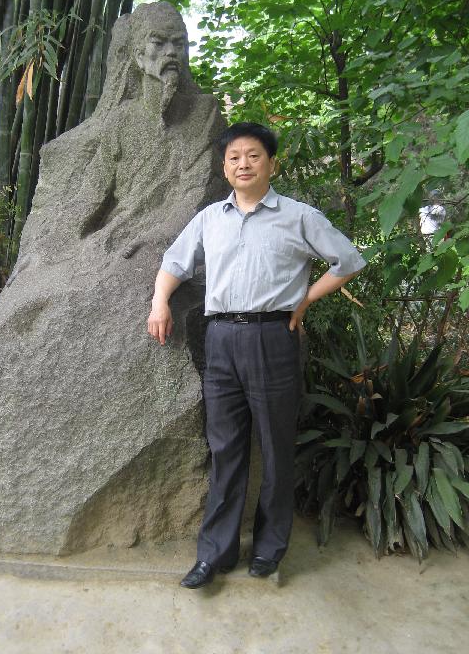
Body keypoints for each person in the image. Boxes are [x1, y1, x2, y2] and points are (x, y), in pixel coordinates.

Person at [147, 121, 366, 588]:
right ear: (224, 167)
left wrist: (305, 300)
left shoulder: (298, 216)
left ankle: (269, 549)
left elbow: (347, 260)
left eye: (253, 156)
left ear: (271, 164)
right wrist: (159, 301)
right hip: (220, 338)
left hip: (273, 337)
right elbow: (174, 263)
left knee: (275, 445)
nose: (243, 164)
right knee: (225, 447)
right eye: (234, 157)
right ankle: (215, 554)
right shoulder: (210, 218)